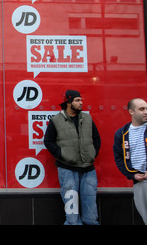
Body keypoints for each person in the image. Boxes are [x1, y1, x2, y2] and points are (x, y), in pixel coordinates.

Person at [44, 89, 101, 225]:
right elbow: (48, 141)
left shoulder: (87, 118)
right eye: (77, 100)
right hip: (67, 169)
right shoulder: (56, 120)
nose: (81, 103)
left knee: (91, 206)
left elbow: (96, 138)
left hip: (88, 169)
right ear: (68, 103)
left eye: (80, 100)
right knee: (71, 208)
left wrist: (92, 153)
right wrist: (62, 155)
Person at [113, 98, 147, 224]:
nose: (146, 112)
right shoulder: (122, 133)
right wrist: (132, 175)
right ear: (131, 112)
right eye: (142, 109)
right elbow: (119, 158)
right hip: (140, 183)